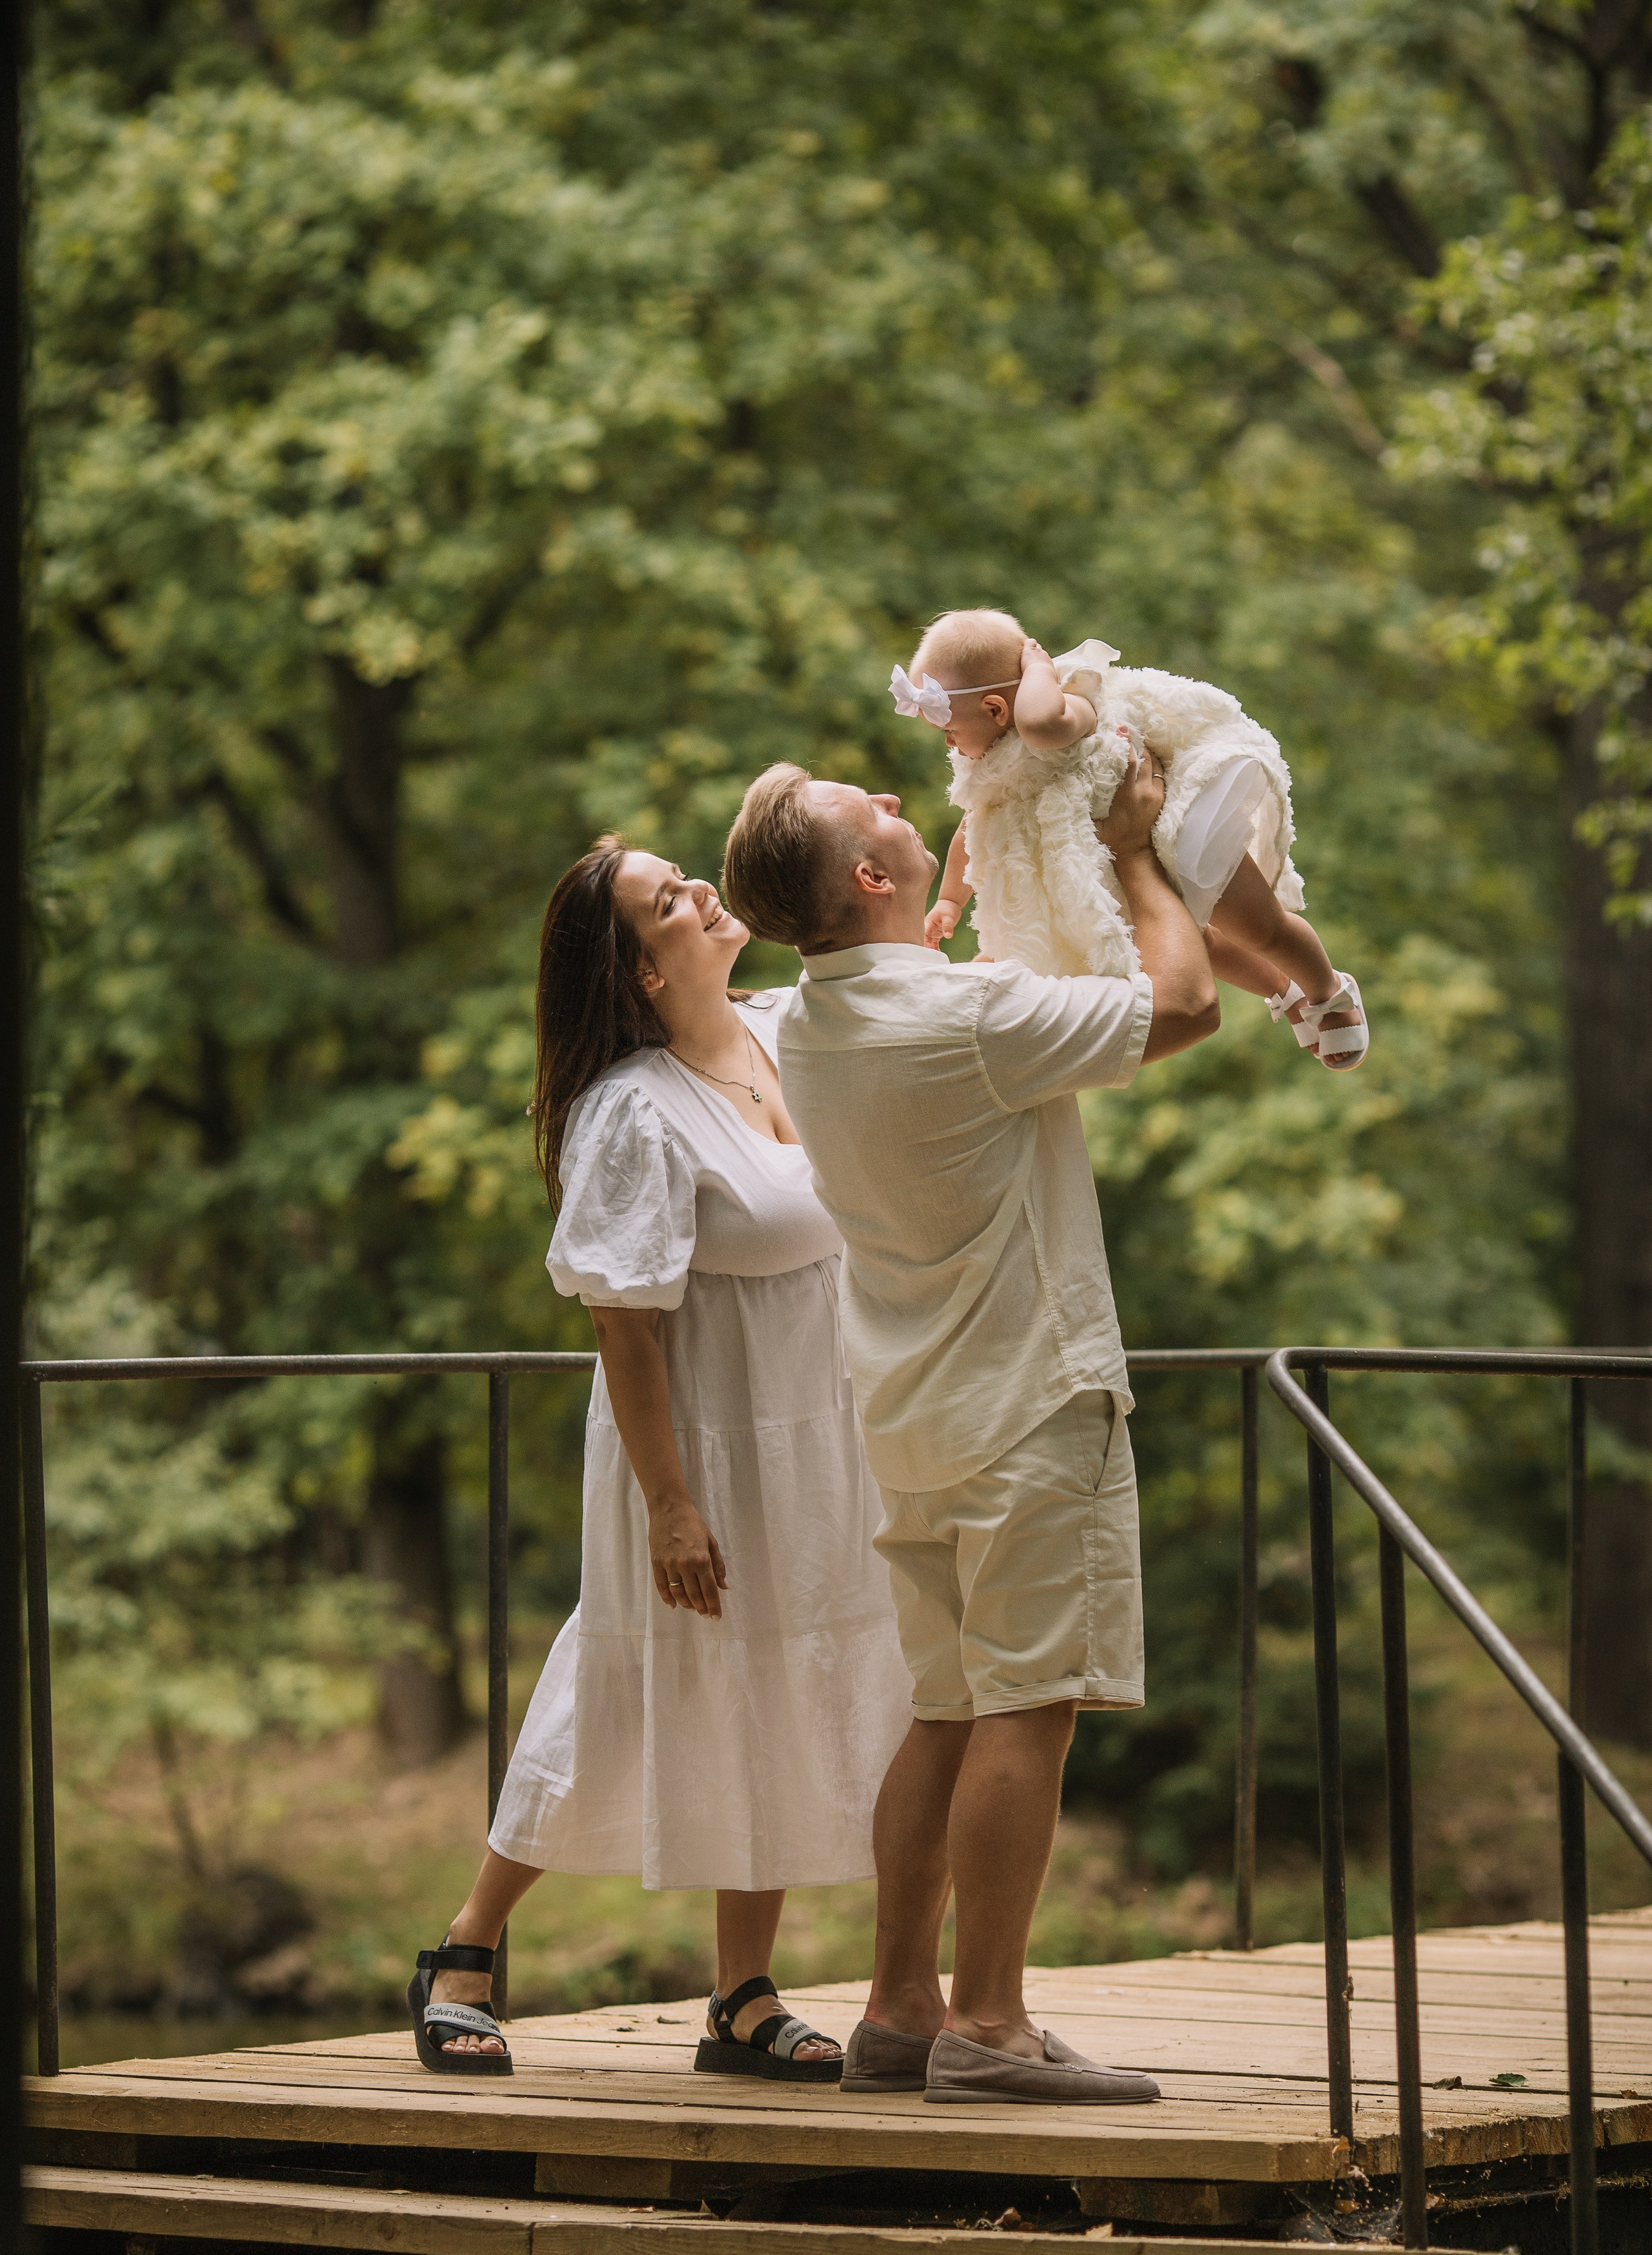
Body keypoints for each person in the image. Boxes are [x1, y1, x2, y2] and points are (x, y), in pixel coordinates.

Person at [720, 748, 1218, 2105]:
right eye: (872, 814)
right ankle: (988, 2025)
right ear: (873, 878)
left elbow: (904, 990)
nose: (894, 797)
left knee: (943, 1709)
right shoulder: (965, 1017)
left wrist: (920, 944)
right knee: (1026, 1706)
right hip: (1026, 1399)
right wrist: (1134, 855)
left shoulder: (809, 1022)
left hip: (913, 1417)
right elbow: (1183, 1002)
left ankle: (895, 2008)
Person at [406, 836, 912, 2079]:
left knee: (784, 1685)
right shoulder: (633, 1112)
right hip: (700, 1443)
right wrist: (669, 1505)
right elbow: (622, 1329)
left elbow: (912, 975)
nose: (701, 894)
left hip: (822, 1435)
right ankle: (466, 1951)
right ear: (639, 973)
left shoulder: (786, 1028)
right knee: (629, 1679)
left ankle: (741, 1995)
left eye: (689, 876)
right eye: (668, 901)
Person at [900, 605, 1367, 1068]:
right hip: (1107, 866)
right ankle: (1283, 990)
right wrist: (950, 903)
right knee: (1197, 945)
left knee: (1257, 925)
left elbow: (1042, 725)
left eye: (949, 730)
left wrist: (1039, 668)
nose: (949, 745)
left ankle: (1328, 987)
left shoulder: (1073, 701)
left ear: (997, 708)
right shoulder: (990, 769)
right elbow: (974, 831)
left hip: (1175, 839)